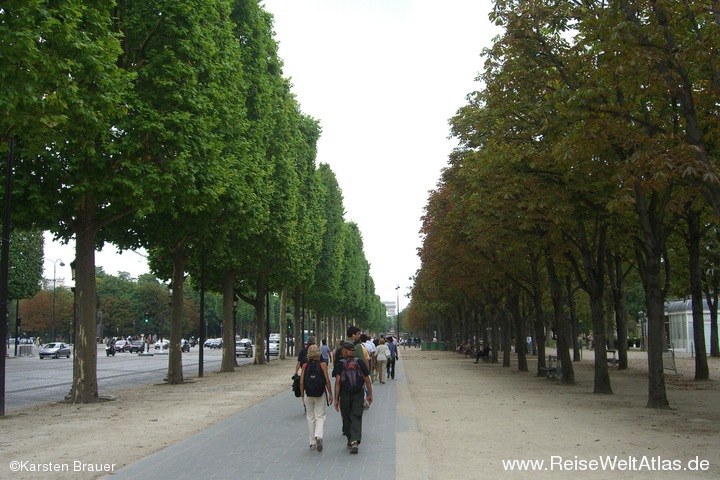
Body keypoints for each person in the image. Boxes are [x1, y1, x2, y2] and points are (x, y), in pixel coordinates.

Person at [333, 341, 372, 454]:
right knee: (356, 415)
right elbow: (367, 380)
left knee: (346, 415)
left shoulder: (340, 363)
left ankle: (350, 439)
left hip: (344, 393)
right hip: (358, 393)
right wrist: (370, 394)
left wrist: (336, 399)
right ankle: (355, 440)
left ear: (345, 351)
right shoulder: (359, 362)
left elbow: (337, 382)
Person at [300, 345, 333, 452]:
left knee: (310, 417)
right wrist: (330, 393)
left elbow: (301, 382)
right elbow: (327, 380)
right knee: (320, 416)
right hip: (320, 393)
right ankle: (318, 436)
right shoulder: (323, 365)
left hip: (308, 393)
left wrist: (302, 395)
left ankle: (312, 442)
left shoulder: (305, 366)